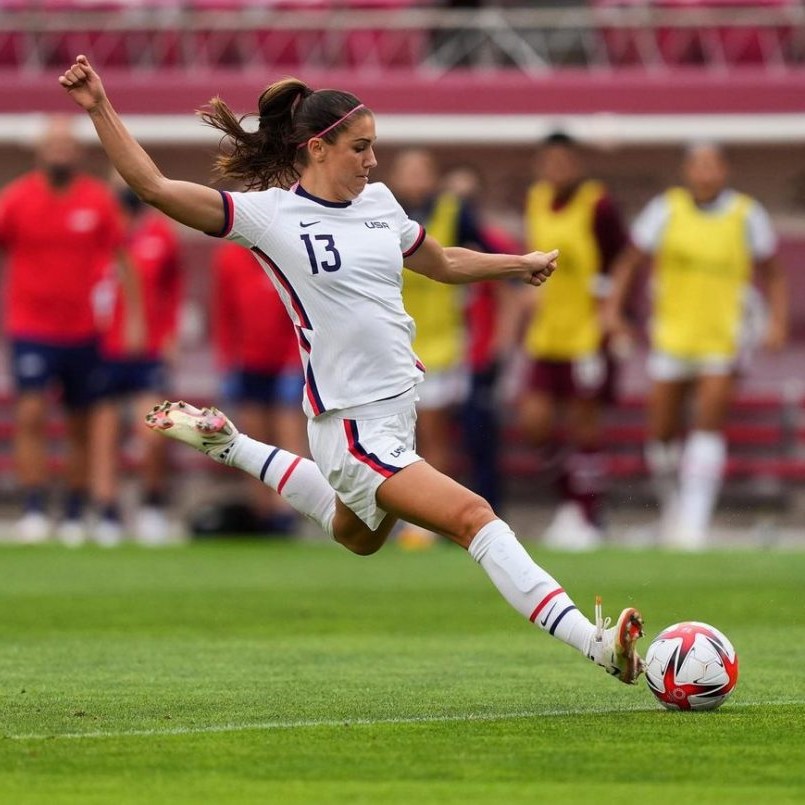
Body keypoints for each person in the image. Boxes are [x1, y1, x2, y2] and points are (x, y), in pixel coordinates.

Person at [59, 54, 645, 686]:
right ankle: (595, 643)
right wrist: (98, 106)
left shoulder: (383, 204)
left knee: (358, 536)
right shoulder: (270, 216)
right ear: (319, 148)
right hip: (349, 427)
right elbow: (154, 188)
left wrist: (516, 264)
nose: (373, 161)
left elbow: (442, 262)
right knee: (474, 517)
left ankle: (231, 444)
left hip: (398, 412)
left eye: (375, 147)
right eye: (361, 148)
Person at [604, 142, 788, 549]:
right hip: (671, 334)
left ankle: (694, 521)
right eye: (698, 165)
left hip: (723, 335)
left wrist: (776, 319)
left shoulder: (746, 214)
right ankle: (674, 509)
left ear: (724, 170)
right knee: (662, 432)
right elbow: (629, 262)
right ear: (687, 171)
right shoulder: (666, 209)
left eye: (713, 165)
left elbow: (772, 273)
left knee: (708, 421)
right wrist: (614, 311)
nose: (705, 173)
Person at [0, 116, 142, 545]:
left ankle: (78, 507)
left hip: (85, 331)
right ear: (40, 151)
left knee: (81, 423)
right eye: (53, 145)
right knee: (29, 414)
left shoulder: (98, 201)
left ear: (77, 152)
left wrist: (134, 318)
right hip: (31, 327)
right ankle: (35, 505)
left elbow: (124, 260)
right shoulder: (15, 200)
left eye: (67, 145)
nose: (60, 152)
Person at [518, 132, 629, 550]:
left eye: (564, 161)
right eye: (549, 161)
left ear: (576, 163)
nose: (556, 169)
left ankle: (587, 515)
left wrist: (612, 310)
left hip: (587, 334)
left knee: (585, 427)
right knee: (534, 422)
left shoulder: (597, 203)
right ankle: (571, 501)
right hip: (547, 332)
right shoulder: (535, 200)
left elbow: (625, 258)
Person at [386, 149, 494, 546]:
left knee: (433, 433)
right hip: (393, 343)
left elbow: (484, 252)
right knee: (396, 435)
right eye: (407, 171)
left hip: (442, 343)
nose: (415, 178)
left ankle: (428, 522)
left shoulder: (453, 211)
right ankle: (402, 514)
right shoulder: (382, 214)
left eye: (422, 171)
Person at [90, 174, 183, 546]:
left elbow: (174, 287)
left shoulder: (160, 235)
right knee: (104, 430)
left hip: (148, 350)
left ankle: (152, 505)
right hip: (102, 348)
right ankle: (107, 510)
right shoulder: (98, 234)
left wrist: (170, 333)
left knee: (154, 431)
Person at [442, 163, 523, 514]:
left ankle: (486, 507)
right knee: (441, 435)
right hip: (442, 350)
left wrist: (500, 345)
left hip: (480, 353)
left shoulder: (492, 243)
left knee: (479, 433)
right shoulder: (434, 243)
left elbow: (513, 297)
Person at [211, 240, 307, 535]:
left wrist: (296, 362)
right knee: (254, 440)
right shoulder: (229, 257)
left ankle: (290, 510)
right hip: (249, 361)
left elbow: (301, 312)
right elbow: (224, 312)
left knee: (289, 433)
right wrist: (227, 362)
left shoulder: (287, 253)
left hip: (287, 360)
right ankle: (263, 510)